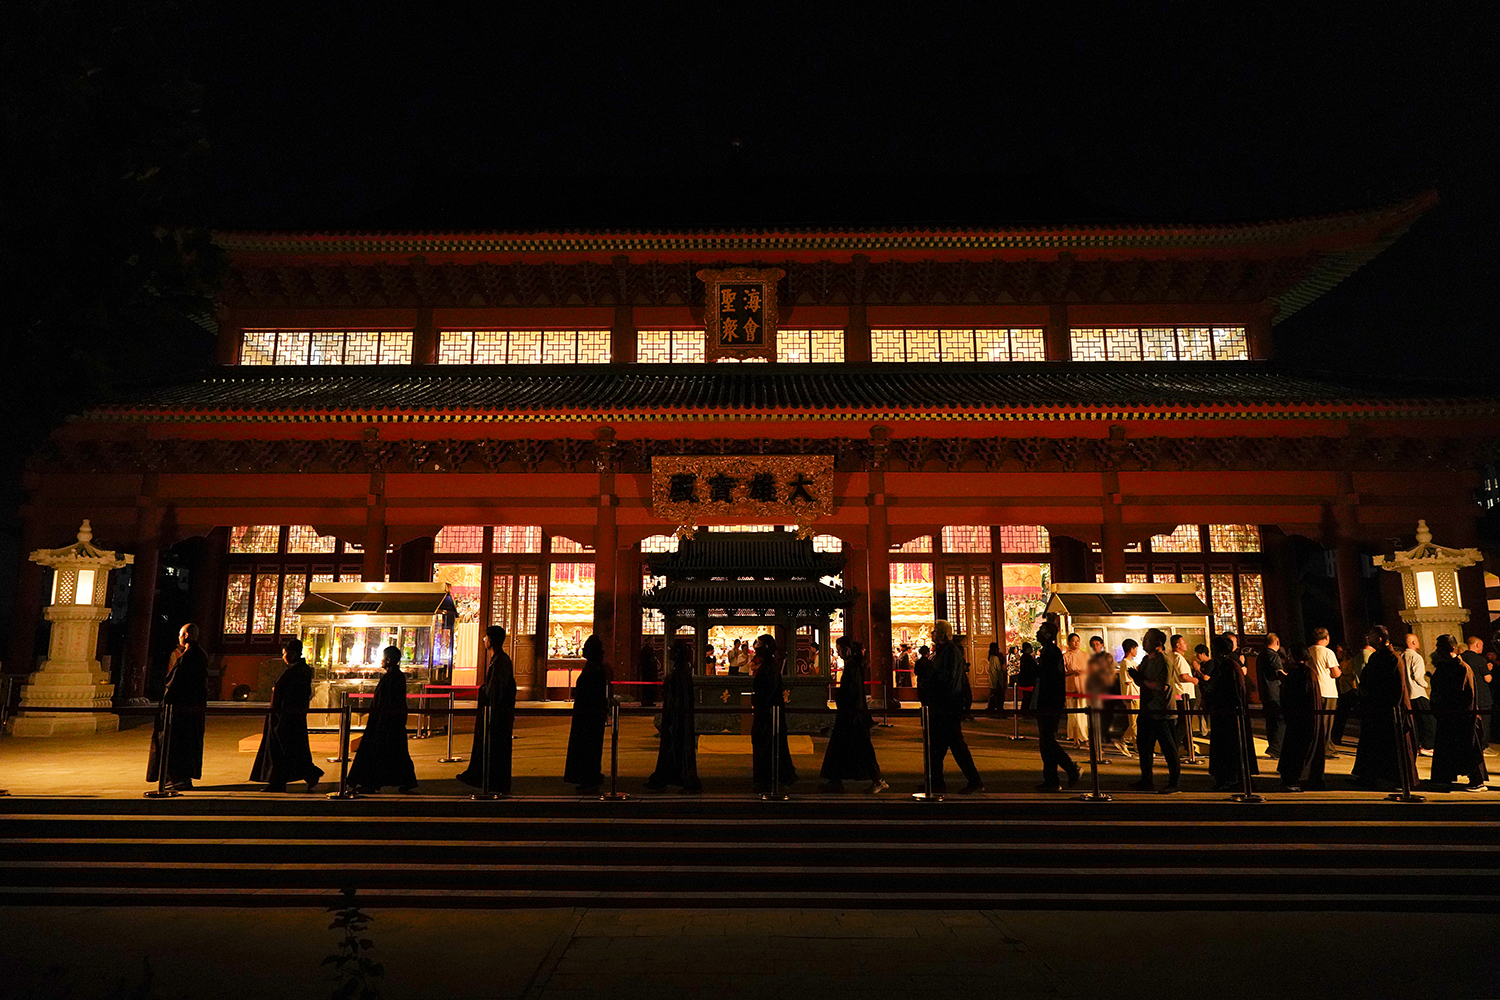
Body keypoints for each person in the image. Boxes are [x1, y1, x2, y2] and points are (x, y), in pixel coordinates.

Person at [250, 637, 323, 792]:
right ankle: (287, 779)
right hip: (284, 716)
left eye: (285, 653)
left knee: (286, 750)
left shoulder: (297, 672)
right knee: (289, 750)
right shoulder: (298, 670)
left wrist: (281, 715)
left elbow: (292, 696)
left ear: (293, 654)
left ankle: (296, 777)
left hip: (286, 717)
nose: (284, 657)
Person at [1350, 626, 1418, 791]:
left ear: (1379, 639)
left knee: (1393, 746)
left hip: (1388, 709)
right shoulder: (1377, 657)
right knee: (1372, 744)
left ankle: (1398, 779)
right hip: (1374, 708)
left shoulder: (1393, 658)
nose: (1368, 640)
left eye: (1371, 637)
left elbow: (1397, 687)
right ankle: (1369, 776)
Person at [921, 619, 984, 793]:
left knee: (955, 745)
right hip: (945, 704)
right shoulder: (945, 651)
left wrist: (931, 680)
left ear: (941, 634)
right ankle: (936, 780)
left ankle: (974, 780)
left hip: (947, 704)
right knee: (938, 746)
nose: (932, 634)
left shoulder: (950, 652)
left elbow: (946, 678)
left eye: (935, 631)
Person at [346, 645, 419, 793]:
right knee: (397, 754)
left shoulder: (392, 678)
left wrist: (379, 718)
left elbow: (386, 701)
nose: (382, 661)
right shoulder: (395, 677)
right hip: (391, 721)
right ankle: (406, 780)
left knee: (379, 753)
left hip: (386, 721)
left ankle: (370, 782)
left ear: (389, 660)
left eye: (384, 658)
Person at [146, 623, 210, 791]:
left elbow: (176, 683)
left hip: (181, 710)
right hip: (192, 709)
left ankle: (177, 778)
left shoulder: (188, 656)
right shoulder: (198, 654)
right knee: (186, 744)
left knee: (176, 744)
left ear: (187, 635)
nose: (179, 637)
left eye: (181, 634)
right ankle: (180, 777)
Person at [820, 637, 887, 793]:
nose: (839, 653)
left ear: (847, 650)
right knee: (843, 749)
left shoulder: (854, 667)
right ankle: (836, 780)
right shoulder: (853, 665)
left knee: (860, 749)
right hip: (851, 713)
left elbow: (853, 692)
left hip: (852, 715)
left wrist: (844, 702)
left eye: (839, 650)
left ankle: (877, 779)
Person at [457, 624, 516, 794]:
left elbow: (497, 690)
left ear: (491, 641)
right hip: (494, 711)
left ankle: (494, 782)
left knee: (495, 748)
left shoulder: (500, 662)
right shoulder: (498, 660)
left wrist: (486, 695)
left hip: (496, 713)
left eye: (485, 638)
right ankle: (484, 777)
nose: (484, 640)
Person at [1429, 634, 1488, 792]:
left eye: (1441, 646)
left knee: (1468, 748)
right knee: (1449, 748)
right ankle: (1444, 777)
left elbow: (1467, 694)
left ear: (1452, 648)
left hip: (1460, 716)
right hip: (1448, 714)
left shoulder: (1462, 667)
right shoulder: (1445, 667)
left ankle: (1476, 780)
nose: (1438, 650)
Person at [645, 640, 701, 792]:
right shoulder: (681, 670)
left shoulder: (681, 671)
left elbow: (679, 697)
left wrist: (673, 715)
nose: (668, 653)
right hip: (675, 715)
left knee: (677, 748)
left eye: (671, 650)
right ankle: (667, 777)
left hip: (677, 716)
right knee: (672, 749)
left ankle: (683, 779)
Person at [1129, 628, 1180, 793]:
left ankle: (1173, 782)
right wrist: (1138, 678)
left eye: (1148, 639)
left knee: (1168, 749)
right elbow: (1142, 682)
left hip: (1162, 712)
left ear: (1158, 643)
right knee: (1144, 747)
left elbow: (1161, 686)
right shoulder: (1145, 660)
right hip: (1146, 711)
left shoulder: (1164, 661)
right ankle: (1146, 779)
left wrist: (1142, 680)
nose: (1144, 642)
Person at [1032, 623, 1081, 791]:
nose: (1038, 634)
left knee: (1048, 741)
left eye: (1041, 631)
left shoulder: (1051, 653)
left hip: (1049, 702)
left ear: (1046, 635)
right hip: (1047, 701)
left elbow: (1050, 679)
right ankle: (1052, 778)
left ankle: (1069, 768)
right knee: (1046, 741)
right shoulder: (1048, 652)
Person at [1206, 634, 1256, 791]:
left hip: (1228, 715)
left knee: (1229, 748)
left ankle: (1231, 778)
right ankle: (1225, 777)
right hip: (1222, 713)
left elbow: (1231, 691)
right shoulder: (1226, 665)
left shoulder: (1229, 666)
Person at [563, 634, 609, 792]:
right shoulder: (594, 666)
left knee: (587, 747)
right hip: (589, 713)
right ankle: (588, 777)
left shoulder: (594, 668)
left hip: (588, 714)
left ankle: (589, 778)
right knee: (589, 748)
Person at [751, 633, 797, 791]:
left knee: (768, 746)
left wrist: (760, 704)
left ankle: (770, 778)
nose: (755, 647)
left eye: (758, 644)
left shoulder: (769, 668)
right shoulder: (769, 666)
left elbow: (768, 693)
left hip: (768, 716)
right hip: (767, 714)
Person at [1277, 643, 1325, 791]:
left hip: (1300, 716)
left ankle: (1297, 778)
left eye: (1291, 655)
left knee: (1298, 748)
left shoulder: (1300, 673)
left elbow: (1297, 693)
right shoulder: (1308, 672)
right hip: (1305, 716)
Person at [1306, 628, 1342, 759]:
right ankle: (1326, 747)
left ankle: (1315, 745)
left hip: (1313, 690)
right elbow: (1336, 673)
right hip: (1328, 691)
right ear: (1326, 638)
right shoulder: (1328, 653)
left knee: (1316, 720)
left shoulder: (1308, 651)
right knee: (1327, 721)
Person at [1401, 633, 1435, 755]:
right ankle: (1427, 746)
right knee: (1428, 721)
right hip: (1418, 693)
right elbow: (1418, 677)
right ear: (1414, 642)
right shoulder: (1416, 657)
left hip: (1407, 695)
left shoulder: (1401, 656)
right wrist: (1427, 685)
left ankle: (1415, 745)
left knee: (1413, 721)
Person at [1332, 639, 1369, 746]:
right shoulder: (1341, 663)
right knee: (1341, 715)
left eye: (1339, 651)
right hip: (1344, 691)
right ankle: (1336, 736)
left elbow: (1352, 674)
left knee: (1348, 714)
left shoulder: (1351, 662)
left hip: (1350, 690)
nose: (1338, 653)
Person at [1256, 633, 1287, 759]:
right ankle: (1276, 748)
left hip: (1265, 692)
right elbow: (1279, 673)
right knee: (1279, 721)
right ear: (1277, 642)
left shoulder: (1261, 655)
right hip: (1275, 692)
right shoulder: (1273, 656)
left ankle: (1273, 745)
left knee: (1270, 721)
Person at [1461, 636, 1492, 753]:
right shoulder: (1479, 659)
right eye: (1482, 645)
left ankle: (1471, 745)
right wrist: (1488, 669)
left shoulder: (1462, 658)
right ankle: (1483, 746)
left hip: (1467, 695)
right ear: (1477, 645)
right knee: (1484, 721)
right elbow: (1487, 678)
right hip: (1482, 695)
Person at [1168, 634, 1199, 751]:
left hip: (1175, 694)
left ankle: (1189, 747)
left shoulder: (1170, 657)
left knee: (1183, 722)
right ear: (1177, 645)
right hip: (1185, 694)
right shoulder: (1179, 658)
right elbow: (1184, 676)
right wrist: (1194, 680)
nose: (1186, 644)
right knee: (1184, 723)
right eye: (1184, 642)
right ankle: (1173, 747)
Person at [1063, 632, 1090, 747]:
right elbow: (1062, 672)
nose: (1076, 643)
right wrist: (1073, 672)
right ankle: (1075, 736)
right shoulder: (1065, 656)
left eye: (1078, 640)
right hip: (1070, 686)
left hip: (1083, 687)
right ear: (1069, 642)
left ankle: (1083, 735)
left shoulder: (1085, 655)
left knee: (1082, 712)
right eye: (1074, 641)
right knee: (1073, 713)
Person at [1115, 638, 1140, 754]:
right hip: (1131, 695)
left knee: (1136, 722)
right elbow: (1128, 681)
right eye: (1136, 649)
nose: (1137, 651)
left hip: (1137, 695)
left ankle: (1129, 742)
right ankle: (1129, 742)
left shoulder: (1132, 663)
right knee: (1134, 722)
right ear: (1131, 649)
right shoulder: (1125, 663)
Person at [1016, 641, 1039, 710]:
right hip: (1028, 680)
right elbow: (1032, 668)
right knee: (1028, 696)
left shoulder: (1024, 657)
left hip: (1024, 679)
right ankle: (1026, 711)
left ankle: (1025, 710)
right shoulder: (1027, 657)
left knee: (1026, 696)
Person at [985, 641, 1005, 712]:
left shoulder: (990, 657)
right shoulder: (995, 658)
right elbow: (998, 670)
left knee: (993, 695)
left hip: (993, 679)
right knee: (999, 696)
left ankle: (992, 708)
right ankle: (999, 709)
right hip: (997, 680)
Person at [638, 643, 659, 708]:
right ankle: (647, 701)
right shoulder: (646, 651)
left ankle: (648, 701)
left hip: (649, 674)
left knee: (648, 689)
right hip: (648, 674)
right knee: (647, 689)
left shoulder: (648, 651)